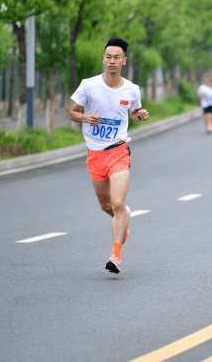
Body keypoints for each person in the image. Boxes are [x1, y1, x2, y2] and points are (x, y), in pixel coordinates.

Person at [69, 37, 149, 274]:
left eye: (117, 57)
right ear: (103, 59)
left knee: (117, 203)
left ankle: (115, 256)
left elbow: (133, 112)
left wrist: (140, 114)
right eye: (108, 57)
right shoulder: (88, 85)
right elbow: (72, 113)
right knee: (106, 206)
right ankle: (122, 222)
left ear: (124, 60)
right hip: (95, 153)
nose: (112, 61)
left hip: (119, 150)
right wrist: (86, 118)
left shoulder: (132, 89)